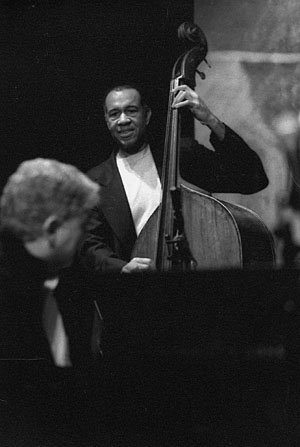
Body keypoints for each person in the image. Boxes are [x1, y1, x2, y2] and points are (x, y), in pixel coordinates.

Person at [79, 83, 269, 274]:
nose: (123, 120)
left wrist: (210, 120)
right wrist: (122, 268)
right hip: (139, 290)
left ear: (147, 115)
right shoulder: (95, 182)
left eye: (131, 111)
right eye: (114, 114)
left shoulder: (179, 156)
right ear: (106, 120)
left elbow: (252, 178)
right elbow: (91, 246)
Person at [0, 158, 101, 446]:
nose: (84, 236)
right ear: (53, 228)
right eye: (81, 225)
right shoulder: (11, 298)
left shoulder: (38, 277)